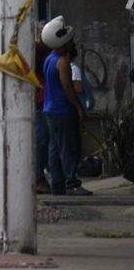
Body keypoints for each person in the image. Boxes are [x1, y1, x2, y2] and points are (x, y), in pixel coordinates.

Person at [41, 16, 92, 197]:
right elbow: (68, 88)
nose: (73, 44)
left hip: (50, 111)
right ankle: (72, 184)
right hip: (62, 111)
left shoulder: (49, 59)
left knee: (54, 149)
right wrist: (79, 108)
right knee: (68, 148)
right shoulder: (62, 62)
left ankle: (58, 185)